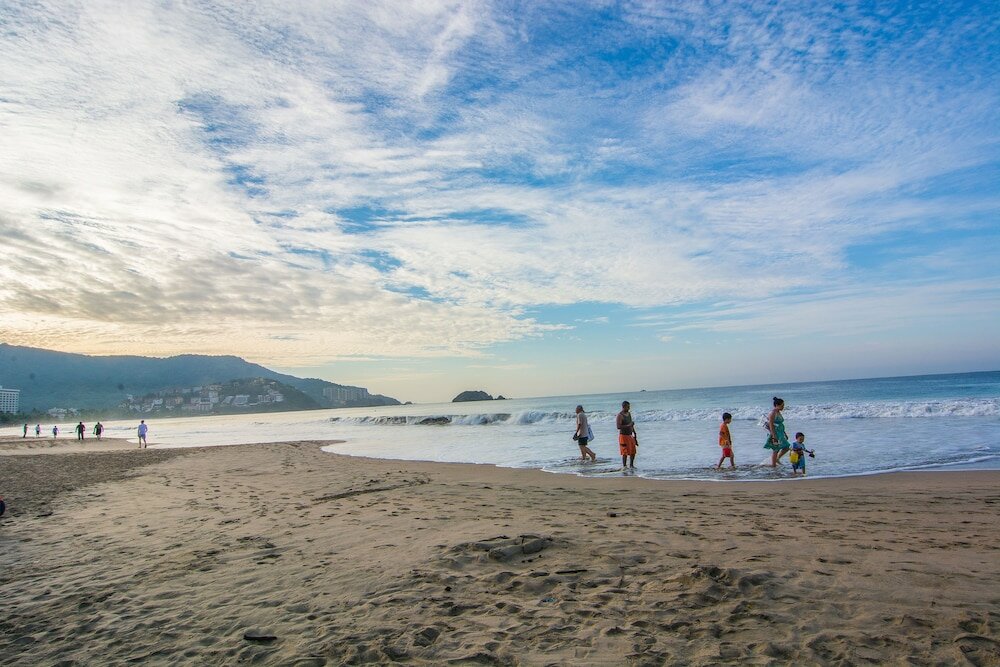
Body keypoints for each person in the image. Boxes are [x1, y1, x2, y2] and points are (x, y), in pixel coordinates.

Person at [763, 397, 790, 467]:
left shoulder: (778, 412)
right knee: (776, 449)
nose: (783, 407)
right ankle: (773, 465)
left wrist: (785, 433)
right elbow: (771, 425)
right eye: (782, 405)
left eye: (783, 405)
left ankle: (777, 459)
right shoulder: (772, 413)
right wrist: (774, 436)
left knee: (786, 447)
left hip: (780, 433)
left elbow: (780, 424)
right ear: (777, 405)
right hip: (775, 433)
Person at [616, 400, 638, 469]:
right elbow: (618, 426)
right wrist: (628, 425)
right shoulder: (620, 415)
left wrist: (634, 434)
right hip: (623, 436)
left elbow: (631, 424)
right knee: (625, 452)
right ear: (623, 407)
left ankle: (631, 465)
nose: (629, 408)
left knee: (633, 451)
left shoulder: (629, 414)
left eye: (629, 407)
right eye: (628, 407)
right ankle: (624, 466)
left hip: (630, 435)